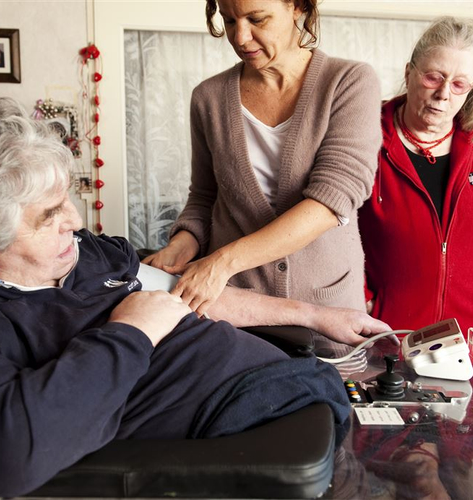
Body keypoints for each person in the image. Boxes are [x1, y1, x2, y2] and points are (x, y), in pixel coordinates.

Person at [0, 93, 394, 497]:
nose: (74, 219)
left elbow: (190, 294)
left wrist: (315, 315)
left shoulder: (86, 250)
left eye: (66, 199)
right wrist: (132, 330)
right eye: (49, 215)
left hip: (287, 390)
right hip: (241, 428)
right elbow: (11, 454)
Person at [145, 0, 383, 363]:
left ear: (298, 8)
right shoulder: (208, 98)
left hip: (328, 311)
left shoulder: (348, 82)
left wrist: (221, 263)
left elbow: (331, 202)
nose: (240, 37)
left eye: (257, 19)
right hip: (236, 311)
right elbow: (204, 198)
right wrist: (182, 244)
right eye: (228, 20)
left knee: (337, 413)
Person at [359, 17, 473, 337]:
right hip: (386, 340)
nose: (443, 94)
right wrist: (360, 298)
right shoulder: (363, 136)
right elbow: (328, 229)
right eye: (433, 77)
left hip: (472, 350)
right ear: (408, 73)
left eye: (458, 85)